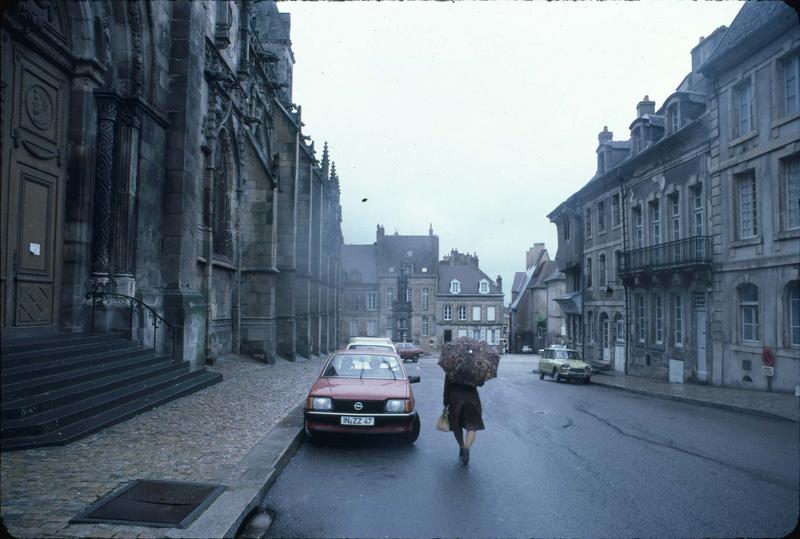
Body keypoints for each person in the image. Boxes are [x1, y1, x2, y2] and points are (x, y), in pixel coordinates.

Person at [443, 375, 485, 465]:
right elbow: (481, 383)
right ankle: (467, 447)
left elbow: (447, 385)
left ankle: (461, 446)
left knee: (456, 424)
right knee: (472, 425)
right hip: (471, 398)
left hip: (454, 398)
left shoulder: (452, 364)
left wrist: (445, 401)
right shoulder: (475, 365)